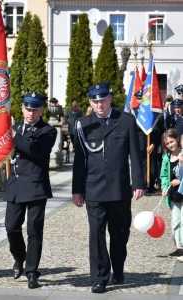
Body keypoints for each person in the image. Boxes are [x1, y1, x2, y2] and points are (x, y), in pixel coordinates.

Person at [72, 82, 144, 293]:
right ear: (90, 103)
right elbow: (79, 161)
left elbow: (135, 155)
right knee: (96, 234)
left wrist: (138, 182)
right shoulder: (83, 125)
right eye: (95, 101)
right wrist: (77, 190)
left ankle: (118, 267)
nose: (99, 104)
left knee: (119, 233)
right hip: (93, 189)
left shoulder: (126, 121)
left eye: (102, 99)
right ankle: (99, 277)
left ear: (110, 98)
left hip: (119, 189)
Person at [4, 92, 57, 289]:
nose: (30, 112)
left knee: (34, 231)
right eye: (27, 108)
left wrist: (15, 136)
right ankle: (19, 257)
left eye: (35, 109)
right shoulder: (14, 127)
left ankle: (32, 271)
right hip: (15, 185)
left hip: (36, 186)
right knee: (11, 227)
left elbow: (35, 150)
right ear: (22, 108)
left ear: (42, 110)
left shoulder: (48, 130)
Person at [130, 89, 159, 195]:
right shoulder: (133, 111)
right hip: (138, 143)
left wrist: (154, 144)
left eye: (141, 98)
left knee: (151, 165)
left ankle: (149, 185)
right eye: (138, 98)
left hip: (150, 142)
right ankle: (140, 185)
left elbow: (156, 129)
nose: (140, 100)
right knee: (140, 165)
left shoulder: (150, 111)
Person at [160, 129, 183, 259]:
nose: (170, 145)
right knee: (176, 221)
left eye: (172, 142)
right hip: (174, 194)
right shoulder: (166, 158)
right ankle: (179, 246)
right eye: (167, 143)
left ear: (177, 139)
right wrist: (164, 187)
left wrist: (180, 180)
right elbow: (164, 175)